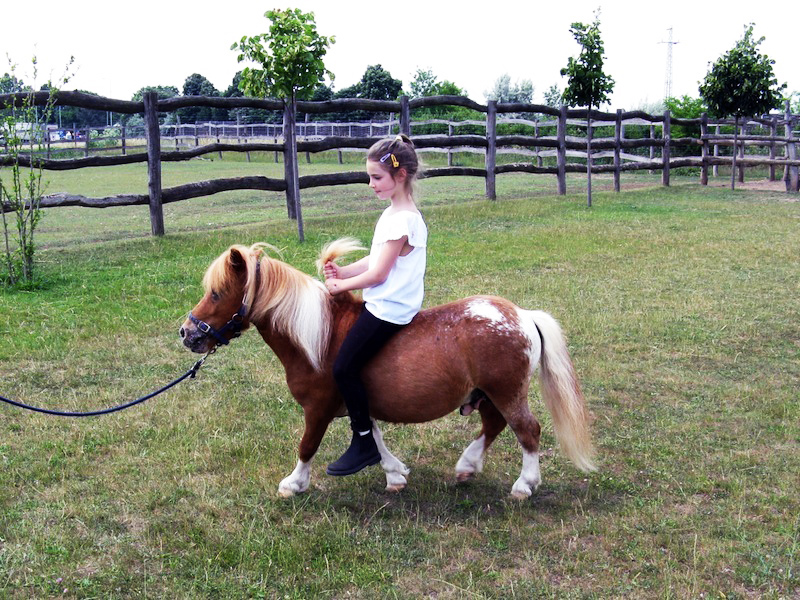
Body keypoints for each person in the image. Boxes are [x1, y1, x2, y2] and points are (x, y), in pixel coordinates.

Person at [323, 134, 427, 476]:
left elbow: (380, 274)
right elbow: (377, 257)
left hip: (390, 309)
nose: (371, 184)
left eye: (377, 177)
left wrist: (341, 285)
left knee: (342, 368)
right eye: (369, 177)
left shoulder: (405, 220)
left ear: (400, 176)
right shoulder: (394, 213)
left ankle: (364, 441)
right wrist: (346, 270)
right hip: (383, 302)